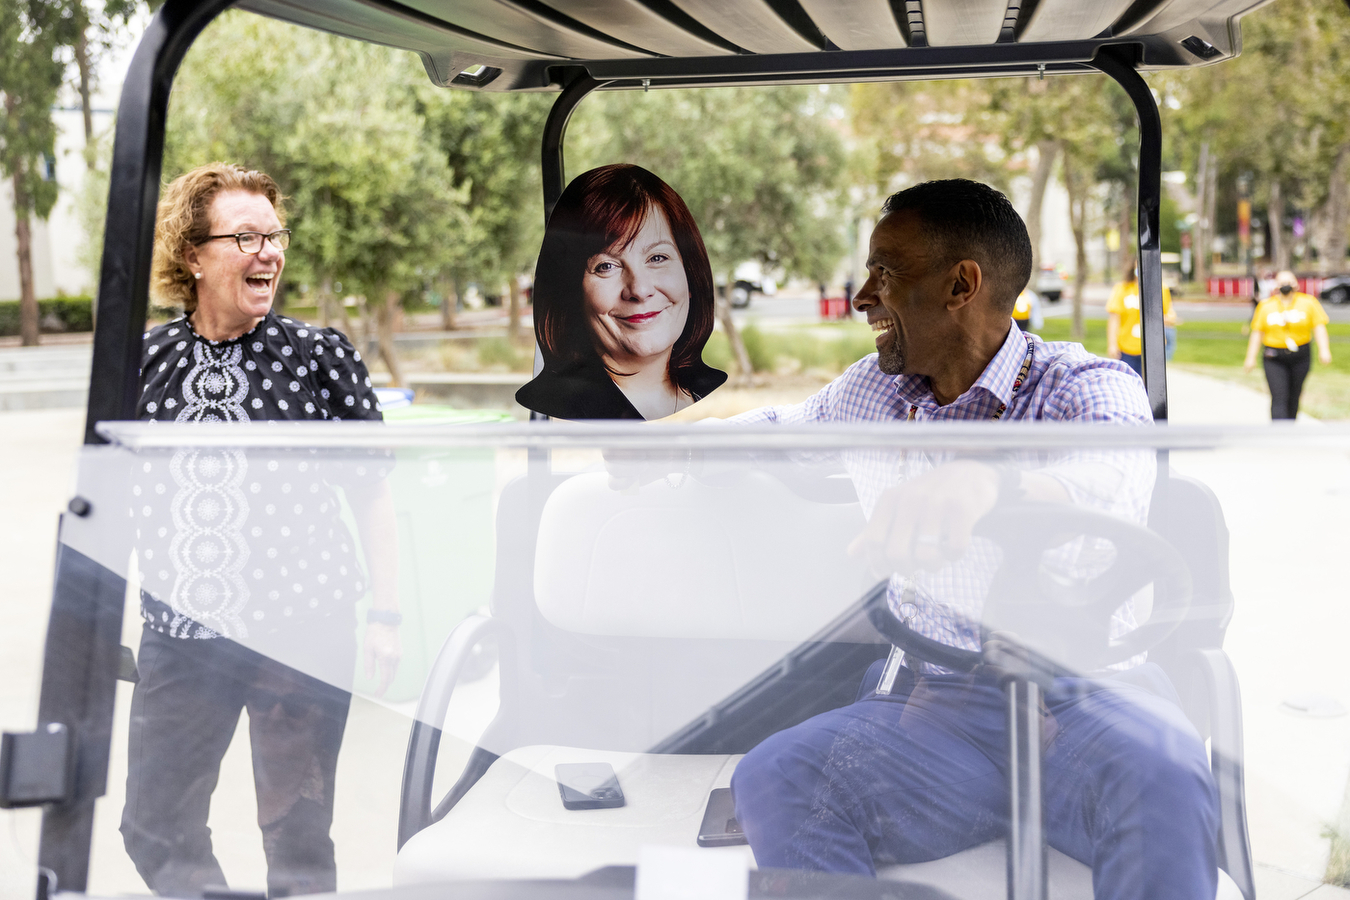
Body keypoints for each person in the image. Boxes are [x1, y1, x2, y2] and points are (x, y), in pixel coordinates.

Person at [727, 180, 1218, 900]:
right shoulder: (871, 392)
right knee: (775, 774)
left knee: (1169, 772)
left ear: (962, 285)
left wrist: (990, 484)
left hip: (1088, 701)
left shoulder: (1089, 386)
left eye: (885, 273)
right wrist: (656, 450)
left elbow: (1103, 472)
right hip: (939, 710)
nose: (863, 296)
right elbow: (777, 435)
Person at [120, 162, 400, 897]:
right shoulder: (140, 363)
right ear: (194, 254)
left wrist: (387, 613)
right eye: (246, 236)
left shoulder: (320, 357)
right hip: (178, 639)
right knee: (152, 825)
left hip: (300, 637)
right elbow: (112, 496)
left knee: (298, 840)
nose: (268, 251)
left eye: (274, 235)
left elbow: (373, 494)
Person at [516, 164, 726, 420]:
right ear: (572, 291)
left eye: (657, 258)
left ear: (690, 275)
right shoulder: (560, 414)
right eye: (606, 266)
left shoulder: (712, 394)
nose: (639, 289)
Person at [1244, 269, 1332, 419]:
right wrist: (1250, 357)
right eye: (1282, 282)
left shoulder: (1308, 303)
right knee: (1279, 396)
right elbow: (1257, 333)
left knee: (1294, 396)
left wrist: (1324, 350)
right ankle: (1279, 435)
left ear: (1296, 284)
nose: (1286, 285)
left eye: (1289, 282)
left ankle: (1290, 431)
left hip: (1300, 356)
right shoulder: (1266, 306)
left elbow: (1319, 327)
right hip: (1274, 356)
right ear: (1276, 286)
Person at [1106, 258, 1176, 375]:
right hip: (1126, 348)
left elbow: (1170, 315)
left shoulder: (1161, 288)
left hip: (1152, 347)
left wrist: (1163, 319)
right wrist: (1112, 345)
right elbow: (1114, 319)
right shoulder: (1122, 289)